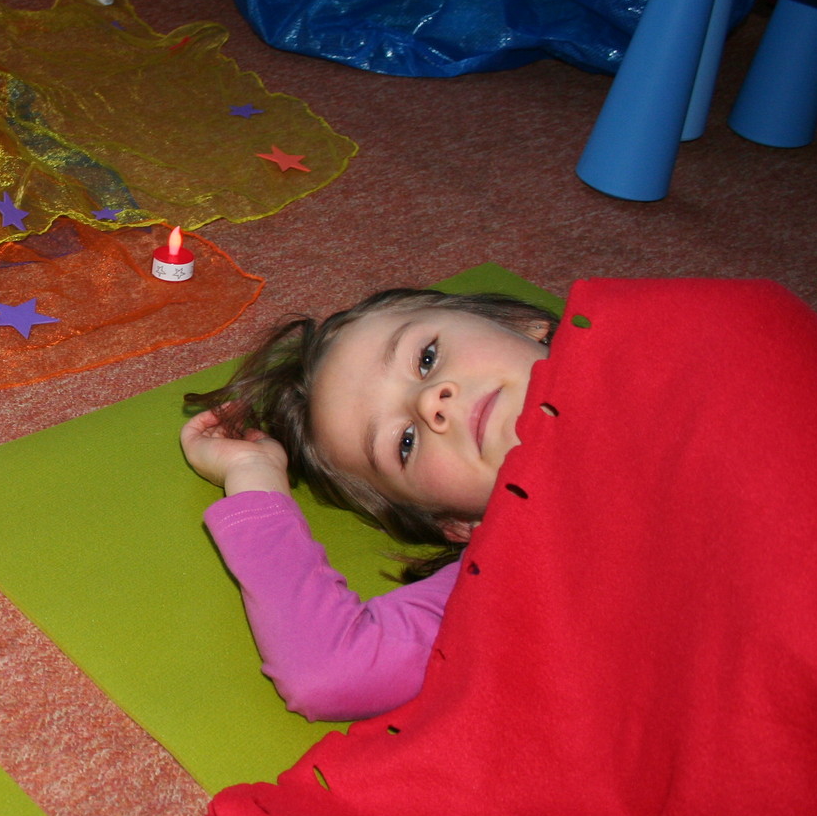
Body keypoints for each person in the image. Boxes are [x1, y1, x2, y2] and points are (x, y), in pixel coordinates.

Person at [181, 289, 557, 721]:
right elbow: (330, 670)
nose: (429, 401)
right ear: (459, 524)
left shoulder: (623, 332)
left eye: (427, 358)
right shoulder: (524, 561)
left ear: (518, 321)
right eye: (406, 443)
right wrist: (254, 474)